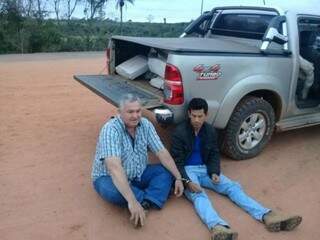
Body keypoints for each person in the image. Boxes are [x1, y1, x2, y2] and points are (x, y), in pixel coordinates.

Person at [170, 98, 302, 240]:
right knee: (199, 195)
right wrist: (187, 181)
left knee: (232, 187)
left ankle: (267, 215)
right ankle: (218, 227)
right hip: (188, 170)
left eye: (200, 116)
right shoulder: (179, 132)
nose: (196, 120)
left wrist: (214, 171)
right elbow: (176, 162)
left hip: (205, 169)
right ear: (189, 114)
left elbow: (214, 153)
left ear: (206, 115)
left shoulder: (210, 131)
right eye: (194, 116)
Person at [92, 93, 184, 228]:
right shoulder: (110, 129)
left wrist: (179, 178)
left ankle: (144, 202)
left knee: (166, 172)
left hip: (139, 173)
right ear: (119, 112)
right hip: (109, 177)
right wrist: (132, 201)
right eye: (130, 112)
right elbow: (114, 168)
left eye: (138, 111)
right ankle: (148, 199)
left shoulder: (145, 125)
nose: (135, 116)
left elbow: (162, 152)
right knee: (114, 192)